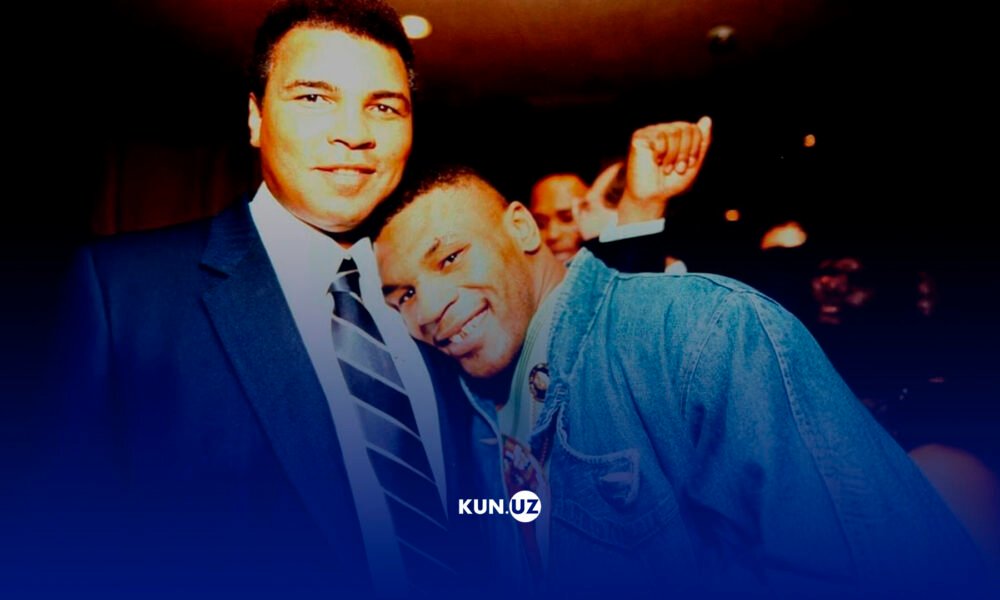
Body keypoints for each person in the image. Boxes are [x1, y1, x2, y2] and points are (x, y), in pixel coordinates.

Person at [373, 164, 990, 596]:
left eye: (449, 257)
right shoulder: (469, 406)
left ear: (523, 228)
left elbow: (880, 570)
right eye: (402, 295)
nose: (427, 310)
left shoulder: (703, 328)